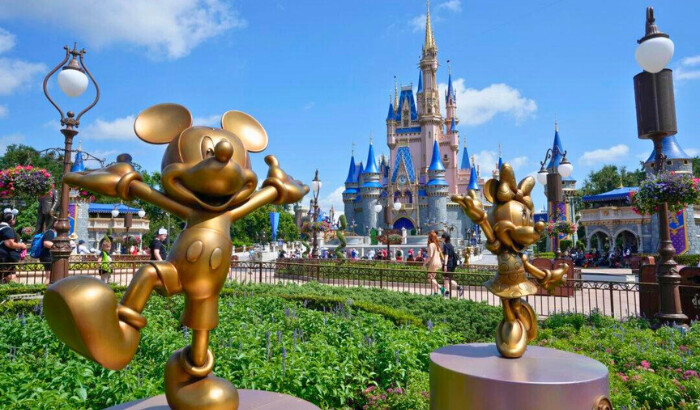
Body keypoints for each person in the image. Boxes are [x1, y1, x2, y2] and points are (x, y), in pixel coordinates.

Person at [0, 209, 26, 283]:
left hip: (4, 257)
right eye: (15, 218)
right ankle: (16, 291)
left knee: (10, 276)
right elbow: (10, 243)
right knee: (11, 277)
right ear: (11, 219)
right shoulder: (7, 229)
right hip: (5, 258)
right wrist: (21, 246)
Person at [441, 232, 463, 298]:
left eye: (442, 237)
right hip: (452, 264)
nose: (441, 239)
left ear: (444, 238)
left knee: (446, 278)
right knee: (448, 278)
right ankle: (459, 288)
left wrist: (445, 265)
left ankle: (447, 293)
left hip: (448, 264)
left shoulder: (446, 245)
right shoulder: (451, 245)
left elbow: (446, 255)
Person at [422, 231, 443, 295]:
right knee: (433, 278)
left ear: (429, 237)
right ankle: (436, 293)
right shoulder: (437, 245)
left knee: (430, 279)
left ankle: (441, 288)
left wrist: (424, 264)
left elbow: (430, 256)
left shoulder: (431, 245)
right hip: (438, 263)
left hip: (433, 263)